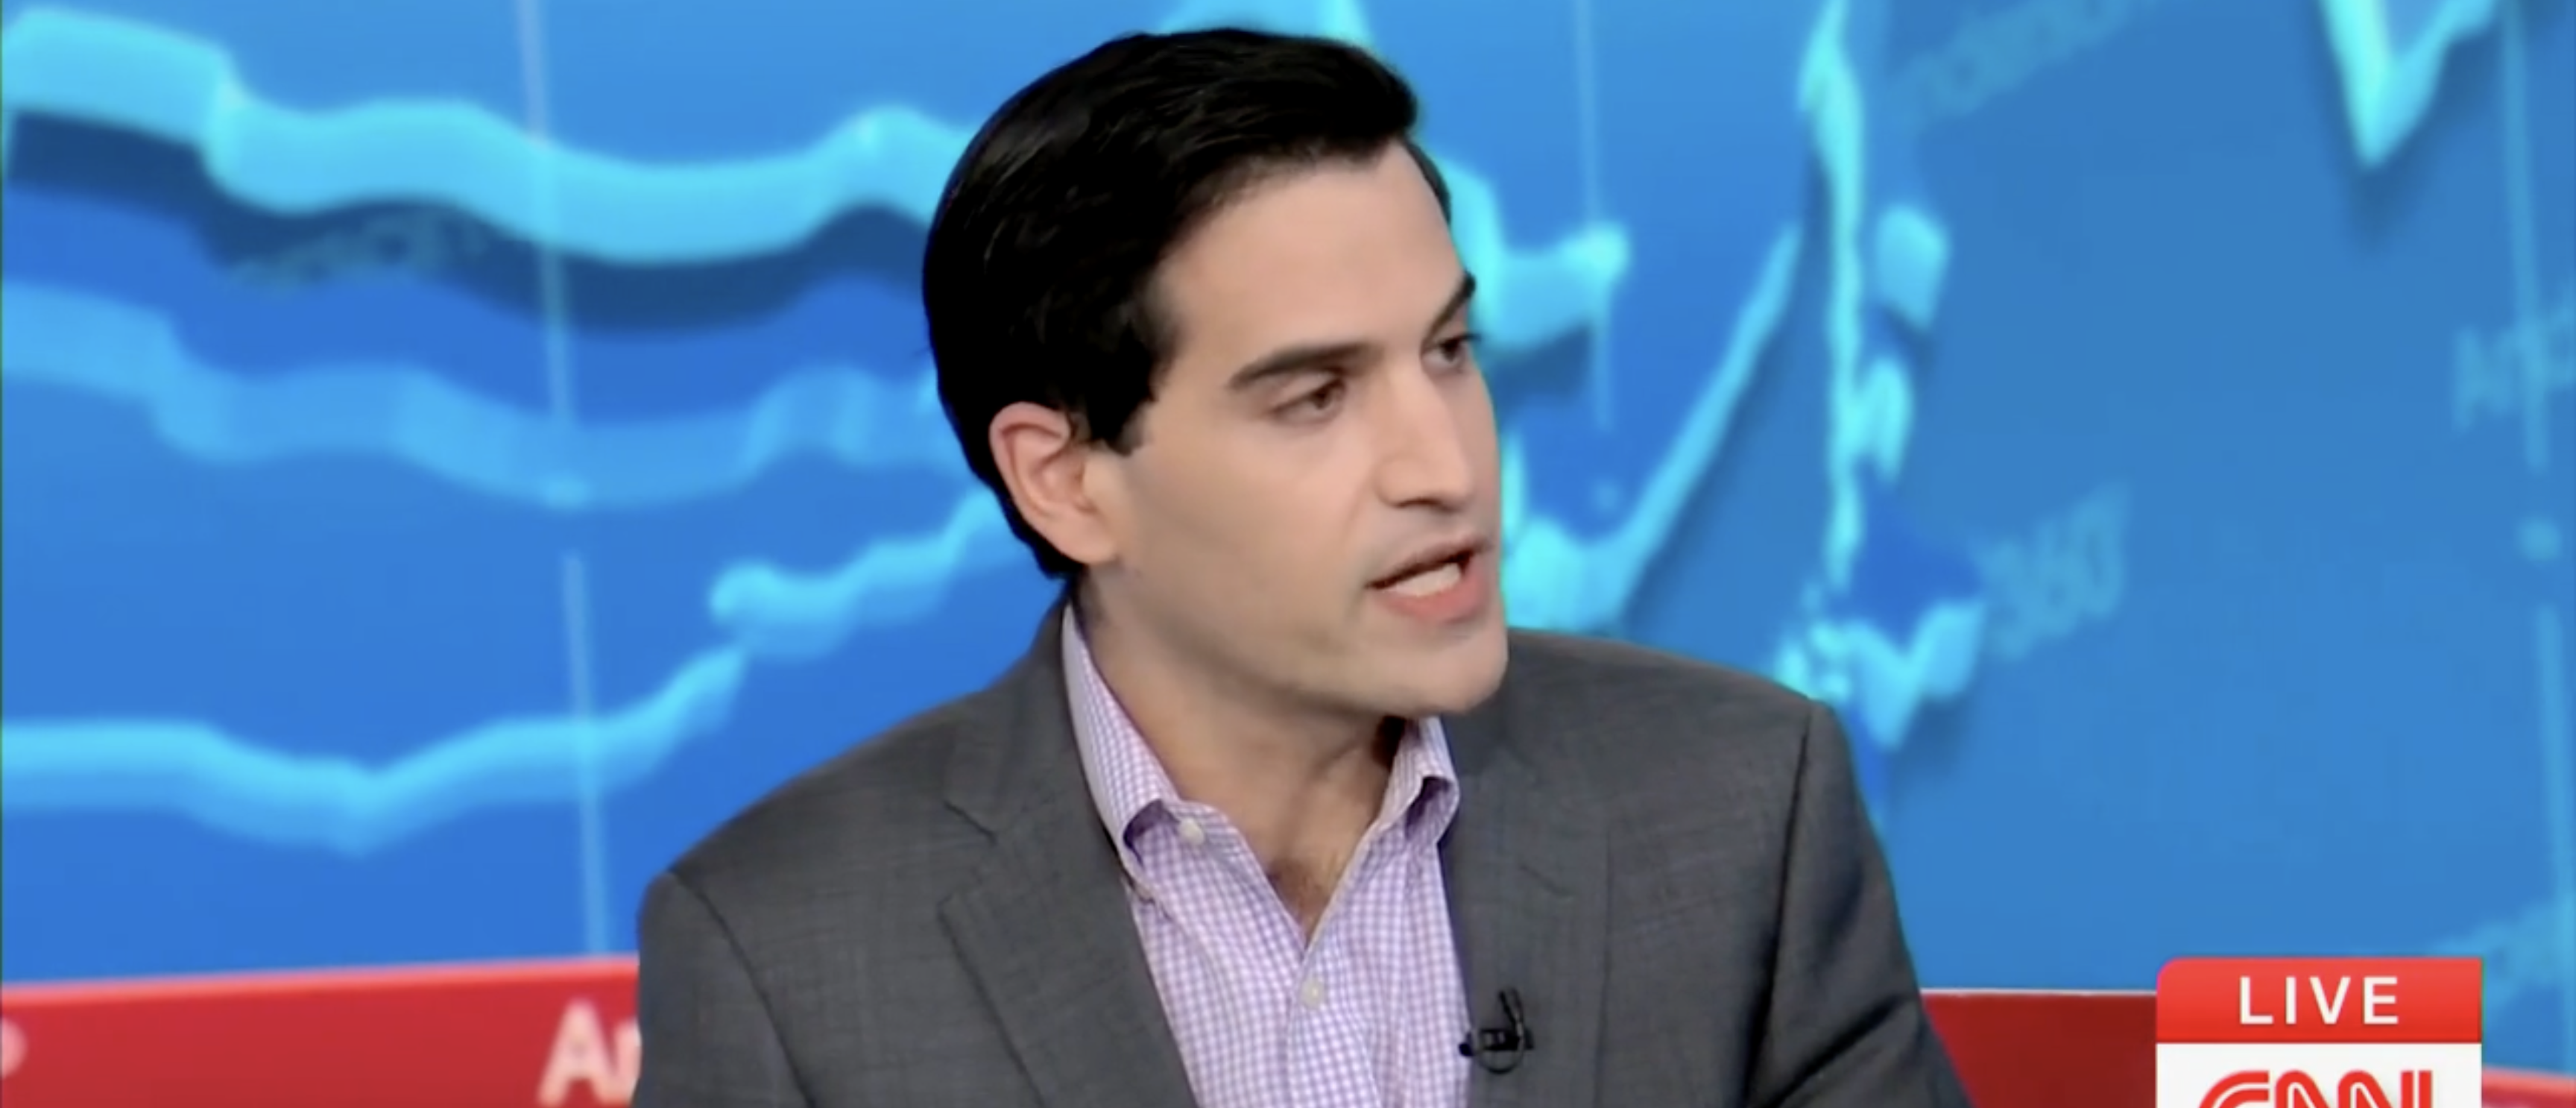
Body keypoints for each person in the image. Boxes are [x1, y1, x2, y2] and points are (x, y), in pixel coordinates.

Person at [634, 26, 1969, 1108]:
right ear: (1067, 479)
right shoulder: (784, 956)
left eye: (1449, 352)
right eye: (1316, 397)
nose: (1444, 463)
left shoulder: (1742, 808)